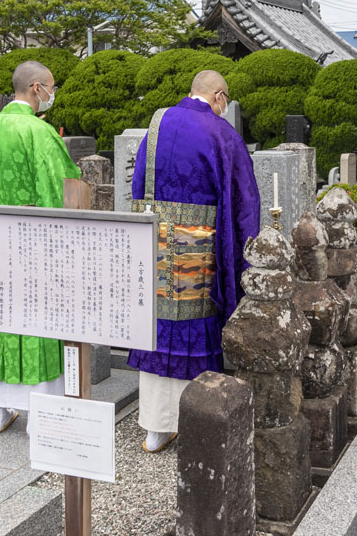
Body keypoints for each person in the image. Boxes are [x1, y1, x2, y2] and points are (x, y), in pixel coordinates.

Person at [128, 70, 260, 453]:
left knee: (159, 322)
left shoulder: (156, 123)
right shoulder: (221, 133)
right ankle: (196, 422)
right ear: (219, 96)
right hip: (198, 249)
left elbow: (138, 183)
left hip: (155, 242)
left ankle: (155, 428)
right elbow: (243, 201)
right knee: (193, 324)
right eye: (225, 101)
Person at [0, 60, 82, 435]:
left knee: (4, 319)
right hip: (39, 243)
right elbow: (61, 188)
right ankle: (40, 413)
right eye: (51, 86)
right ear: (36, 88)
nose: (52, 93)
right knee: (40, 319)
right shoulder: (40, 132)